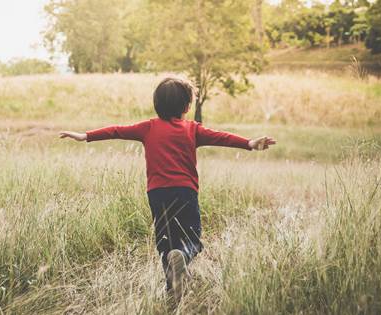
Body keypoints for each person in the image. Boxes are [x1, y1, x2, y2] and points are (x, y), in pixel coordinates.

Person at [59, 77, 276, 303]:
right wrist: (249, 143)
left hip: (157, 194)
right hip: (185, 192)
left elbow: (116, 131)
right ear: (187, 106)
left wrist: (86, 136)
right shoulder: (192, 129)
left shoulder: (147, 127)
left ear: (156, 103)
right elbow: (222, 137)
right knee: (192, 238)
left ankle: (172, 291)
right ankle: (183, 256)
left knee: (165, 241)